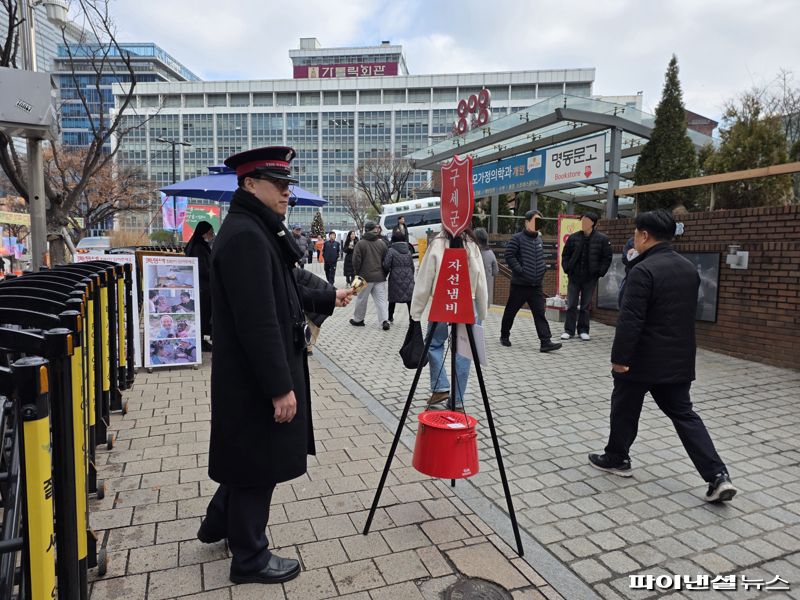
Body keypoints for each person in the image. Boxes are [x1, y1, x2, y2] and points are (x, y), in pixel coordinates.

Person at [198, 146, 354, 586]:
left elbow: (288, 281)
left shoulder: (258, 228)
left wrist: (329, 294)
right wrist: (279, 387)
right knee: (256, 463)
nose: (288, 191)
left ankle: (217, 524)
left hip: (246, 375)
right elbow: (259, 322)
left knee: (246, 452)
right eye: (279, 184)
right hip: (253, 377)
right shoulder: (248, 235)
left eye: (288, 183)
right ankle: (249, 557)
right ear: (250, 184)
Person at [589, 209, 736, 503]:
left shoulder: (643, 271)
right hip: (678, 359)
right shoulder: (687, 268)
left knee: (625, 408)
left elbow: (631, 320)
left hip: (641, 359)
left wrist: (620, 358)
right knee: (684, 415)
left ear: (644, 235)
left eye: (635, 234)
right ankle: (717, 476)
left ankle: (617, 457)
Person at [410, 228, 488, 408]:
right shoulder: (472, 244)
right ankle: (458, 399)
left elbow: (424, 279)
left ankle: (440, 386)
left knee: (434, 342)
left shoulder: (438, 242)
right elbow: (481, 280)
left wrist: (416, 312)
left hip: (442, 302)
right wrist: (482, 311)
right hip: (468, 304)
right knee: (464, 351)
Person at [499, 210, 561, 353]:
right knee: (511, 311)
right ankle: (504, 335)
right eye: (534, 221)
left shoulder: (539, 239)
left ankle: (545, 342)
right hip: (520, 284)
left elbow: (539, 258)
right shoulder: (517, 238)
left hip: (536, 285)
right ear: (526, 222)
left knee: (540, 313)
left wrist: (543, 269)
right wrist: (520, 270)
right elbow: (509, 255)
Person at [560, 211, 612, 341]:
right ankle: (569, 330)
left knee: (585, 306)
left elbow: (607, 258)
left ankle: (583, 330)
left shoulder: (602, 239)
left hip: (590, 278)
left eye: (586, 221)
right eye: (582, 220)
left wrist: (600, 272)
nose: (583, 223)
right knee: (571, 304)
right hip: (574, 276)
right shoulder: (573, 238)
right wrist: (567, 268)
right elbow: (565, 255)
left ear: (593, 223)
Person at [350, 221, 390, 330]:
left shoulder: (360, 243)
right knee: (381, 300)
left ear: (366, 230)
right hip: (380, 277)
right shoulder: (381, 243)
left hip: (364, 277)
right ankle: (384, 321)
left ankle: (358, 320)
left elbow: (356, 261)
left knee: (361, 299)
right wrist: (384, 273)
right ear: (374, 230)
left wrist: (356, 273)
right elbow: (386, 261)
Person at [383, 229, 415, 322]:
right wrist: (410, 276)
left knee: (392, 298)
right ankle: (411, 317)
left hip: (395, 277)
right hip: (408, 276)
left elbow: (386, 265)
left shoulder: (391, 250)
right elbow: (412, 266)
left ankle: (390, 317)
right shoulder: (408, 251)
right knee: (409, 299)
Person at [474, 228, 498, 305]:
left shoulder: (472, 254)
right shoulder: (491, 254)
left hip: (473, 291)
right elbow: (495, 272)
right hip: (486, 291)